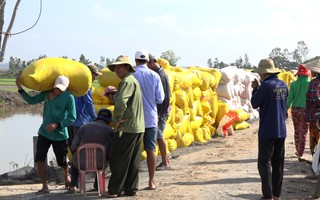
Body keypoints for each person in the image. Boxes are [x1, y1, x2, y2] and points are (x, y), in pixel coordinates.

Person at [16, 75, 76, 195]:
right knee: (39, 159)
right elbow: (31, 100)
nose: (58, 91)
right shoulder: (47, 94)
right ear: (54, 86)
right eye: (57, 88)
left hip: (60, 135)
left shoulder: (69, 97)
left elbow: (72, 117)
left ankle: (67, 174)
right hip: (44, 133)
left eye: (61, 89)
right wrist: (20, 88)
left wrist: (57, 125)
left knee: (62, 162)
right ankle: (45, 186)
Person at [102, 55, 145, 198]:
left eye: (120, 67)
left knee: (119, 159)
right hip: (138, 127)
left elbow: (120, 101)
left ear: (127, 67)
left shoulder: (126, 82)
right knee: (133, 160)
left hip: (127, 127)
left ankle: (114, 190)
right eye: (115, 67)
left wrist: (118, 119)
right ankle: (131, 188)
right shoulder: (134, 81)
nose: (116, 70)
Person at [251, 58, 288, 200]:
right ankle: (276, 195)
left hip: (267, 130)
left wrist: (255, 89)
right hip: (281, 130)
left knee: (264, 163)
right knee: (278, 163)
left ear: (263, 73)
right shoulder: (283, 85)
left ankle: (267, 196)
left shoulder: (265, 86)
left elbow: (255, 104)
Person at [133, 50, 164, 190]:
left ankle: (133, 181)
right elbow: (160, 98)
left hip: (134, 119)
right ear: (148, 61)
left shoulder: (131, 75)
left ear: (135, 61)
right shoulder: (154, 75)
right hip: (151, 118)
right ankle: (151, 181)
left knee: (134, 150)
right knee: (151, 148)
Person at [67, 108, 114, 194]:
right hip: (100, 164)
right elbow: (111, 151)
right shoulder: (110, 131)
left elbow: (73, 146)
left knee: (75, 157)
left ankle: (73, 185)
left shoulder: (84, 127)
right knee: (104, 156)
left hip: (81, 164)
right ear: (108, 121)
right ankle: (97, 185)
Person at [67, 64, 102, 149]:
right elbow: (88, 103)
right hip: (81, 121)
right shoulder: (86, 85)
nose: (96, 77)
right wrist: (95, 119)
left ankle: (74, 162)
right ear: (89, 73)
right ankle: (78, 162)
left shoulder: (73, 83)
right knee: (80, 147)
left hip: (69, 121)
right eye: (95, 74)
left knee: (72, 146)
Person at [147, 53, 172, 170]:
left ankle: (165, 162)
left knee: (159, 136)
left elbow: (163, 97)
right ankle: (165, 159)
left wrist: (158, 113)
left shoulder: (159, 76)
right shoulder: (161, 73)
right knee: (159, 135)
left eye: (147, 64)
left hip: (161, 111)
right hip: (162, 110)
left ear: (152, 62)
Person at [286, 64, 310, 161]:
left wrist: (285, 109)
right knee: (303, 132)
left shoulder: (293, 84)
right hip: (306, 110)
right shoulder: (310, 83)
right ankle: (301, 152)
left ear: (298, 74)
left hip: (295, 110)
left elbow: (290, 98)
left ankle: (297, 150)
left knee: (297, 130)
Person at [305, 59, 320, 156]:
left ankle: (316, 162)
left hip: (315, 117)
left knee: (315, 141)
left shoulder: (314, 83)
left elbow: (316, 99)